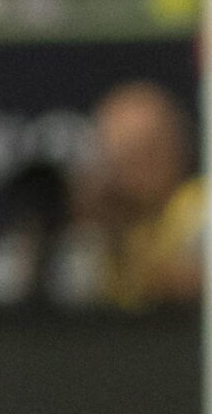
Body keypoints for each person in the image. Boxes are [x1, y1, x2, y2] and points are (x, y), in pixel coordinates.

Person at [76, 81, 203, 309]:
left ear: (172, 151)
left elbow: (194, 280)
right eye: (111, 155)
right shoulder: (102, 221)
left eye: (137, 152)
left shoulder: (203, 205)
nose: (119, 171)